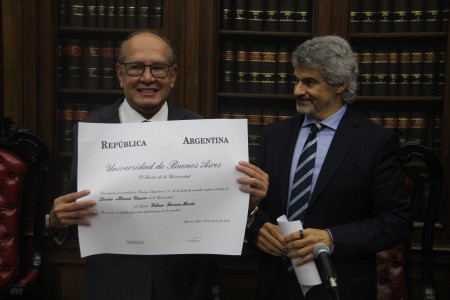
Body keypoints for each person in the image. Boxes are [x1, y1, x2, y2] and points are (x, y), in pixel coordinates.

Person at [47, 30, 269, 300]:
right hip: (113, 287)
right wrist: (56, 221)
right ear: (120, 74)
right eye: (136, 67)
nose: (148, 78)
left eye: (158, 68)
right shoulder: (93, 130)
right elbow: (78, 214)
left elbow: (218, 214)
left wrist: (249, 203)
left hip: (185, 287)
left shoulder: (202, 133)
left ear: (173, 76)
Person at [245, 35, 411, 299]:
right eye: (297, 80)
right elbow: (253, 204)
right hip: (276, 283)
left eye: (309, 82)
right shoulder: (274, 136)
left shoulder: (375, 142)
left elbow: (396, 221)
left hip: (340, 285)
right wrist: (256, 227)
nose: (297, 90)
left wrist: (332, 238)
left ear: (339, 84)